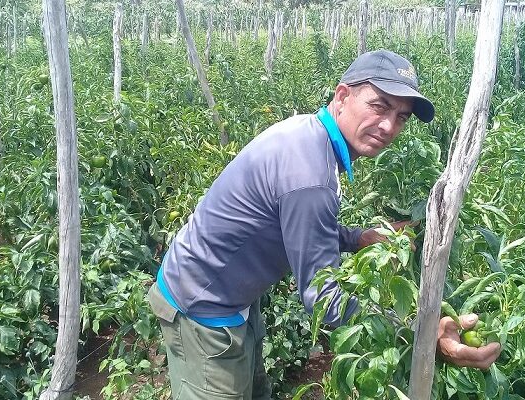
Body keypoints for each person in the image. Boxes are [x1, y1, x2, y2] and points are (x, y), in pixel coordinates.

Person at [147, 49, 501, 400]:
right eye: (379, 106)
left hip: (232, 296)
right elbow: (324, 299)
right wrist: (420, 332)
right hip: (201, 309)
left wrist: (358, 238)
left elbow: (294, 225)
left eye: (401, 116)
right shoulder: (310, 175)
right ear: (343, 96)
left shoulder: (310, 134)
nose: (390, 126)